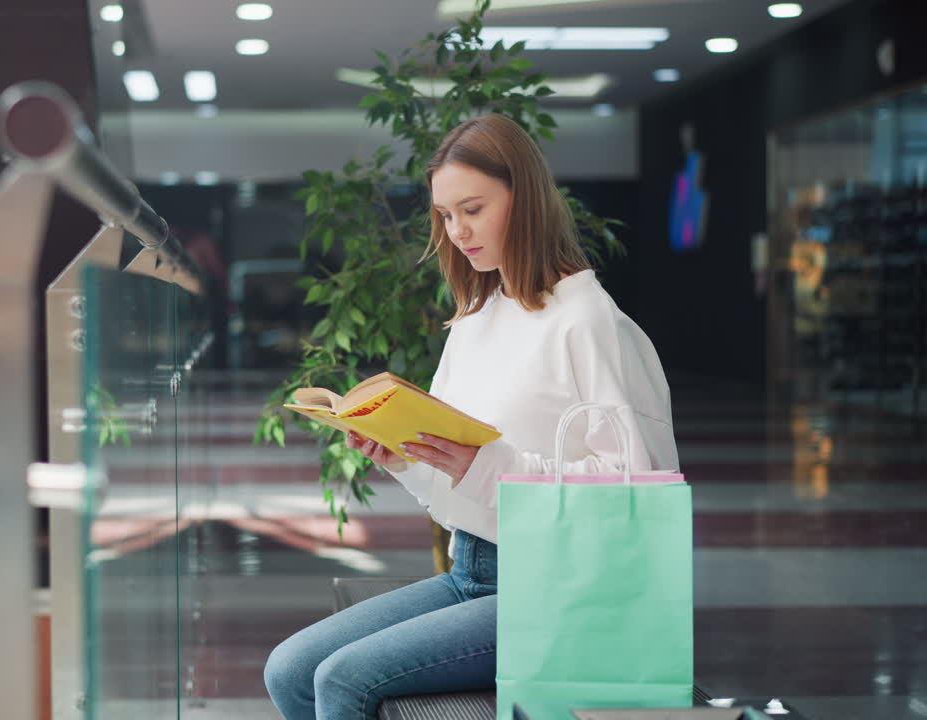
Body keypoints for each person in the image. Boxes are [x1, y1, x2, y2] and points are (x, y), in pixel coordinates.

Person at [262, 113, 680, 720]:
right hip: (474, 569)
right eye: (445, 215)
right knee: (291, 670)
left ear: (526, 198)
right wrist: (402, 455)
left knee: (342, 681)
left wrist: (490, 465)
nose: (456, 231)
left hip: (561, 589)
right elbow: (458, 479)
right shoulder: (478, 316)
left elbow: (633, 496)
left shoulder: (589, 320)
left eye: (473, 209)